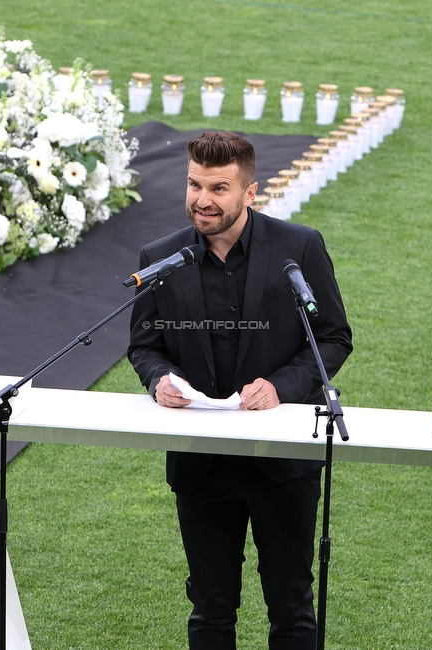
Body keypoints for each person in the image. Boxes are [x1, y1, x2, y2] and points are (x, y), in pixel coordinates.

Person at [128, 130, 352, 650]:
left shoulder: (300, 247)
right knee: (210, 610)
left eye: (219, 188)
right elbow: (144, 344)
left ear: (250, 193)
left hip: (284, 462)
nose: (202, 200)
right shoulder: (160, 257)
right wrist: (158, 379)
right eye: (194, 185)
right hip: (201, 462)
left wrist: (280, 387)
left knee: (293, 610)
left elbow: (333, 336)